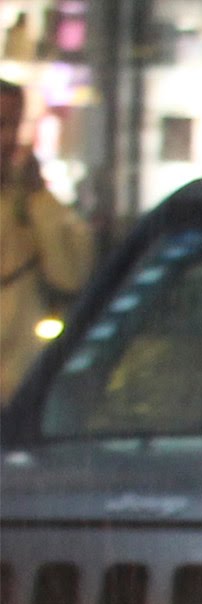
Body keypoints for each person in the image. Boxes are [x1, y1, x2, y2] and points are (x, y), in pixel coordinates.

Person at [0, 82, 88, 400]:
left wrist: (39, 202)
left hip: (19, 388)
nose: (7, 139)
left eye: (12, 124)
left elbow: (71, 276)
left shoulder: (32, 203)